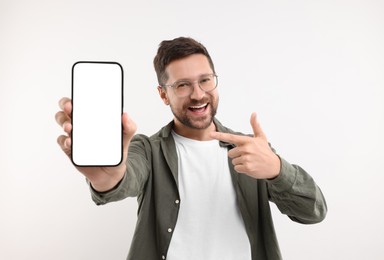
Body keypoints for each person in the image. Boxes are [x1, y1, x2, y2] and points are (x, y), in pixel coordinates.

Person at [55, 37, 327, 260]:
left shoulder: (251, 148)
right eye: (182, 85)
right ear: (164, 94)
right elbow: (125, 177)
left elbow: (314, 211)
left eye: (205, 80)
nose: (198, 94)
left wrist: (277, 170)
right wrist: (108, 177)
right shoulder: (148, 150)